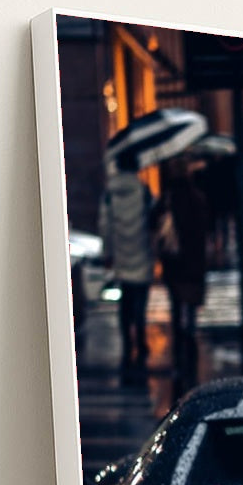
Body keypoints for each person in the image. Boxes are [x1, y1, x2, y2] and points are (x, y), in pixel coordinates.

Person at [98, 153, 155, 376]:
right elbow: (152, 222)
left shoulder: (110, 194)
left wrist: (108, 253)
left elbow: (105, 225)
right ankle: (140, 342)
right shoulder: (143, 191)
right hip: (141, 253)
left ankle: (126, 346)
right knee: (140, 303)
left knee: (125, 305)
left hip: (121, 255)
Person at [156, 161, 210, 392]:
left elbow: (154, 224)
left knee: (177, 306)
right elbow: (205, 228)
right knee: (190, 310)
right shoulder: (197, 198)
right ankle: (190, 347)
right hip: (194, 263)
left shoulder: (168, 200)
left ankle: (180, 352)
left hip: (175, 264)